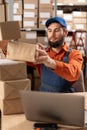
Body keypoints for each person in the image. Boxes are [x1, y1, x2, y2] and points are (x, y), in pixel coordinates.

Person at [29, 16, 83, 92]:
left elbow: (74, 74)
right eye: (50, 31)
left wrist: (50, 62)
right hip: (44, 99)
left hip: (65, 100)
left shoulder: (74, 54)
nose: (52, 35)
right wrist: (7, 47)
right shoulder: (41, 53)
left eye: (56, 30)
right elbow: (18, 55)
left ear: (65, 33)